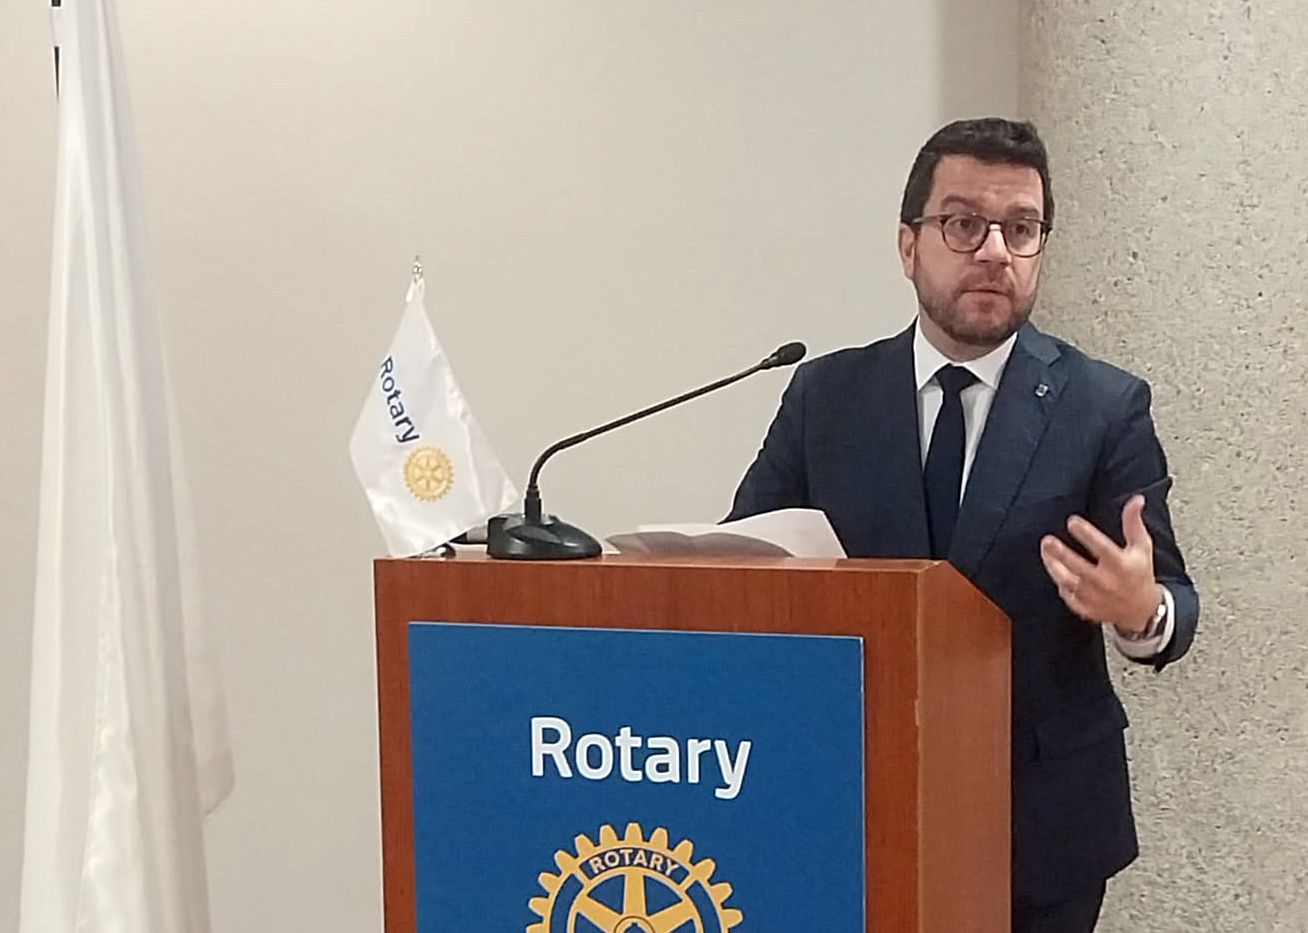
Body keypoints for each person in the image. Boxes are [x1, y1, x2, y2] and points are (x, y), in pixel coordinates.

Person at [727, 117, 1199, 933]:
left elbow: (1174, 602)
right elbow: (744, 557)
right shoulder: (824, 396)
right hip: (846, 799)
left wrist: (1138, 611)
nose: (994, 251)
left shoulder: (1103, 405)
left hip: (1037, 824)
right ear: (909, 245)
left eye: (1021, 229)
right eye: (963, 223)